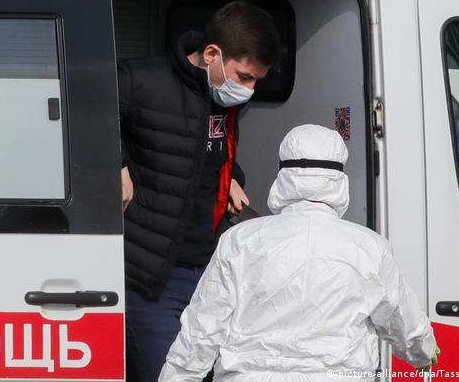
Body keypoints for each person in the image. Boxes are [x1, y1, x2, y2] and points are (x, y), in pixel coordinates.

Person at [159, 125, 440, 381]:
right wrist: (423, 353)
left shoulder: (240, 240)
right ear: (339, 179)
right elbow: (401, 318)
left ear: (283, 175)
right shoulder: (369, 247)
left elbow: (201, 330)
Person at [118, 1, 281, 382]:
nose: (249, 89)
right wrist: (118, 163)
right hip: (152, 278)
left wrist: (232, 175)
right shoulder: (140, 80)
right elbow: (82, 117)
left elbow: (210, 152)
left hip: (209, 274)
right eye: (244, 76)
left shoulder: (222, 98)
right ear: (211, 54)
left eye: (256, 81)